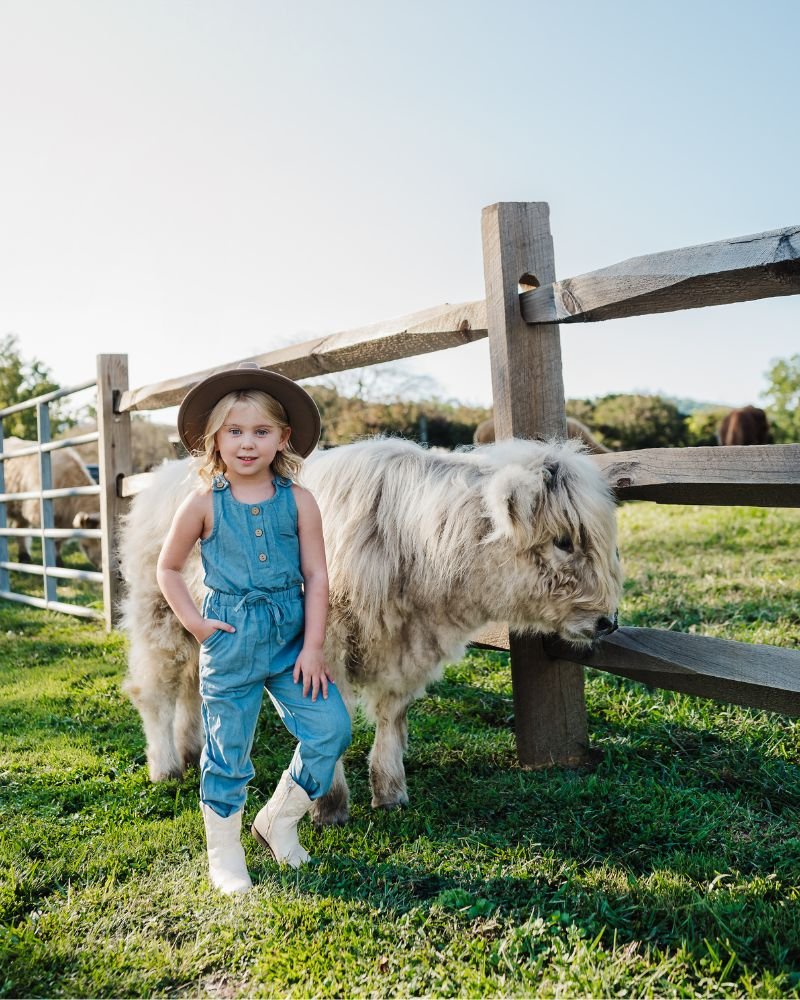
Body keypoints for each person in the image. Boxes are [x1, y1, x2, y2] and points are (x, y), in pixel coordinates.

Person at [156, 362, 351, 894]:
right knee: (228, 747)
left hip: (292, 639)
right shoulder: (202, 503)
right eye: (235, 432)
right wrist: (197, 625)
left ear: (283, 438)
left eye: (261, 431)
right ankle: (225, 852)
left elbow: (316, 573)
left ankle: (279, 820)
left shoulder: (299, 500)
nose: (247, 443)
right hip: (231, 639)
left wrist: (313, 647)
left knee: (330, 726)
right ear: (214, 439)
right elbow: (168, 568)